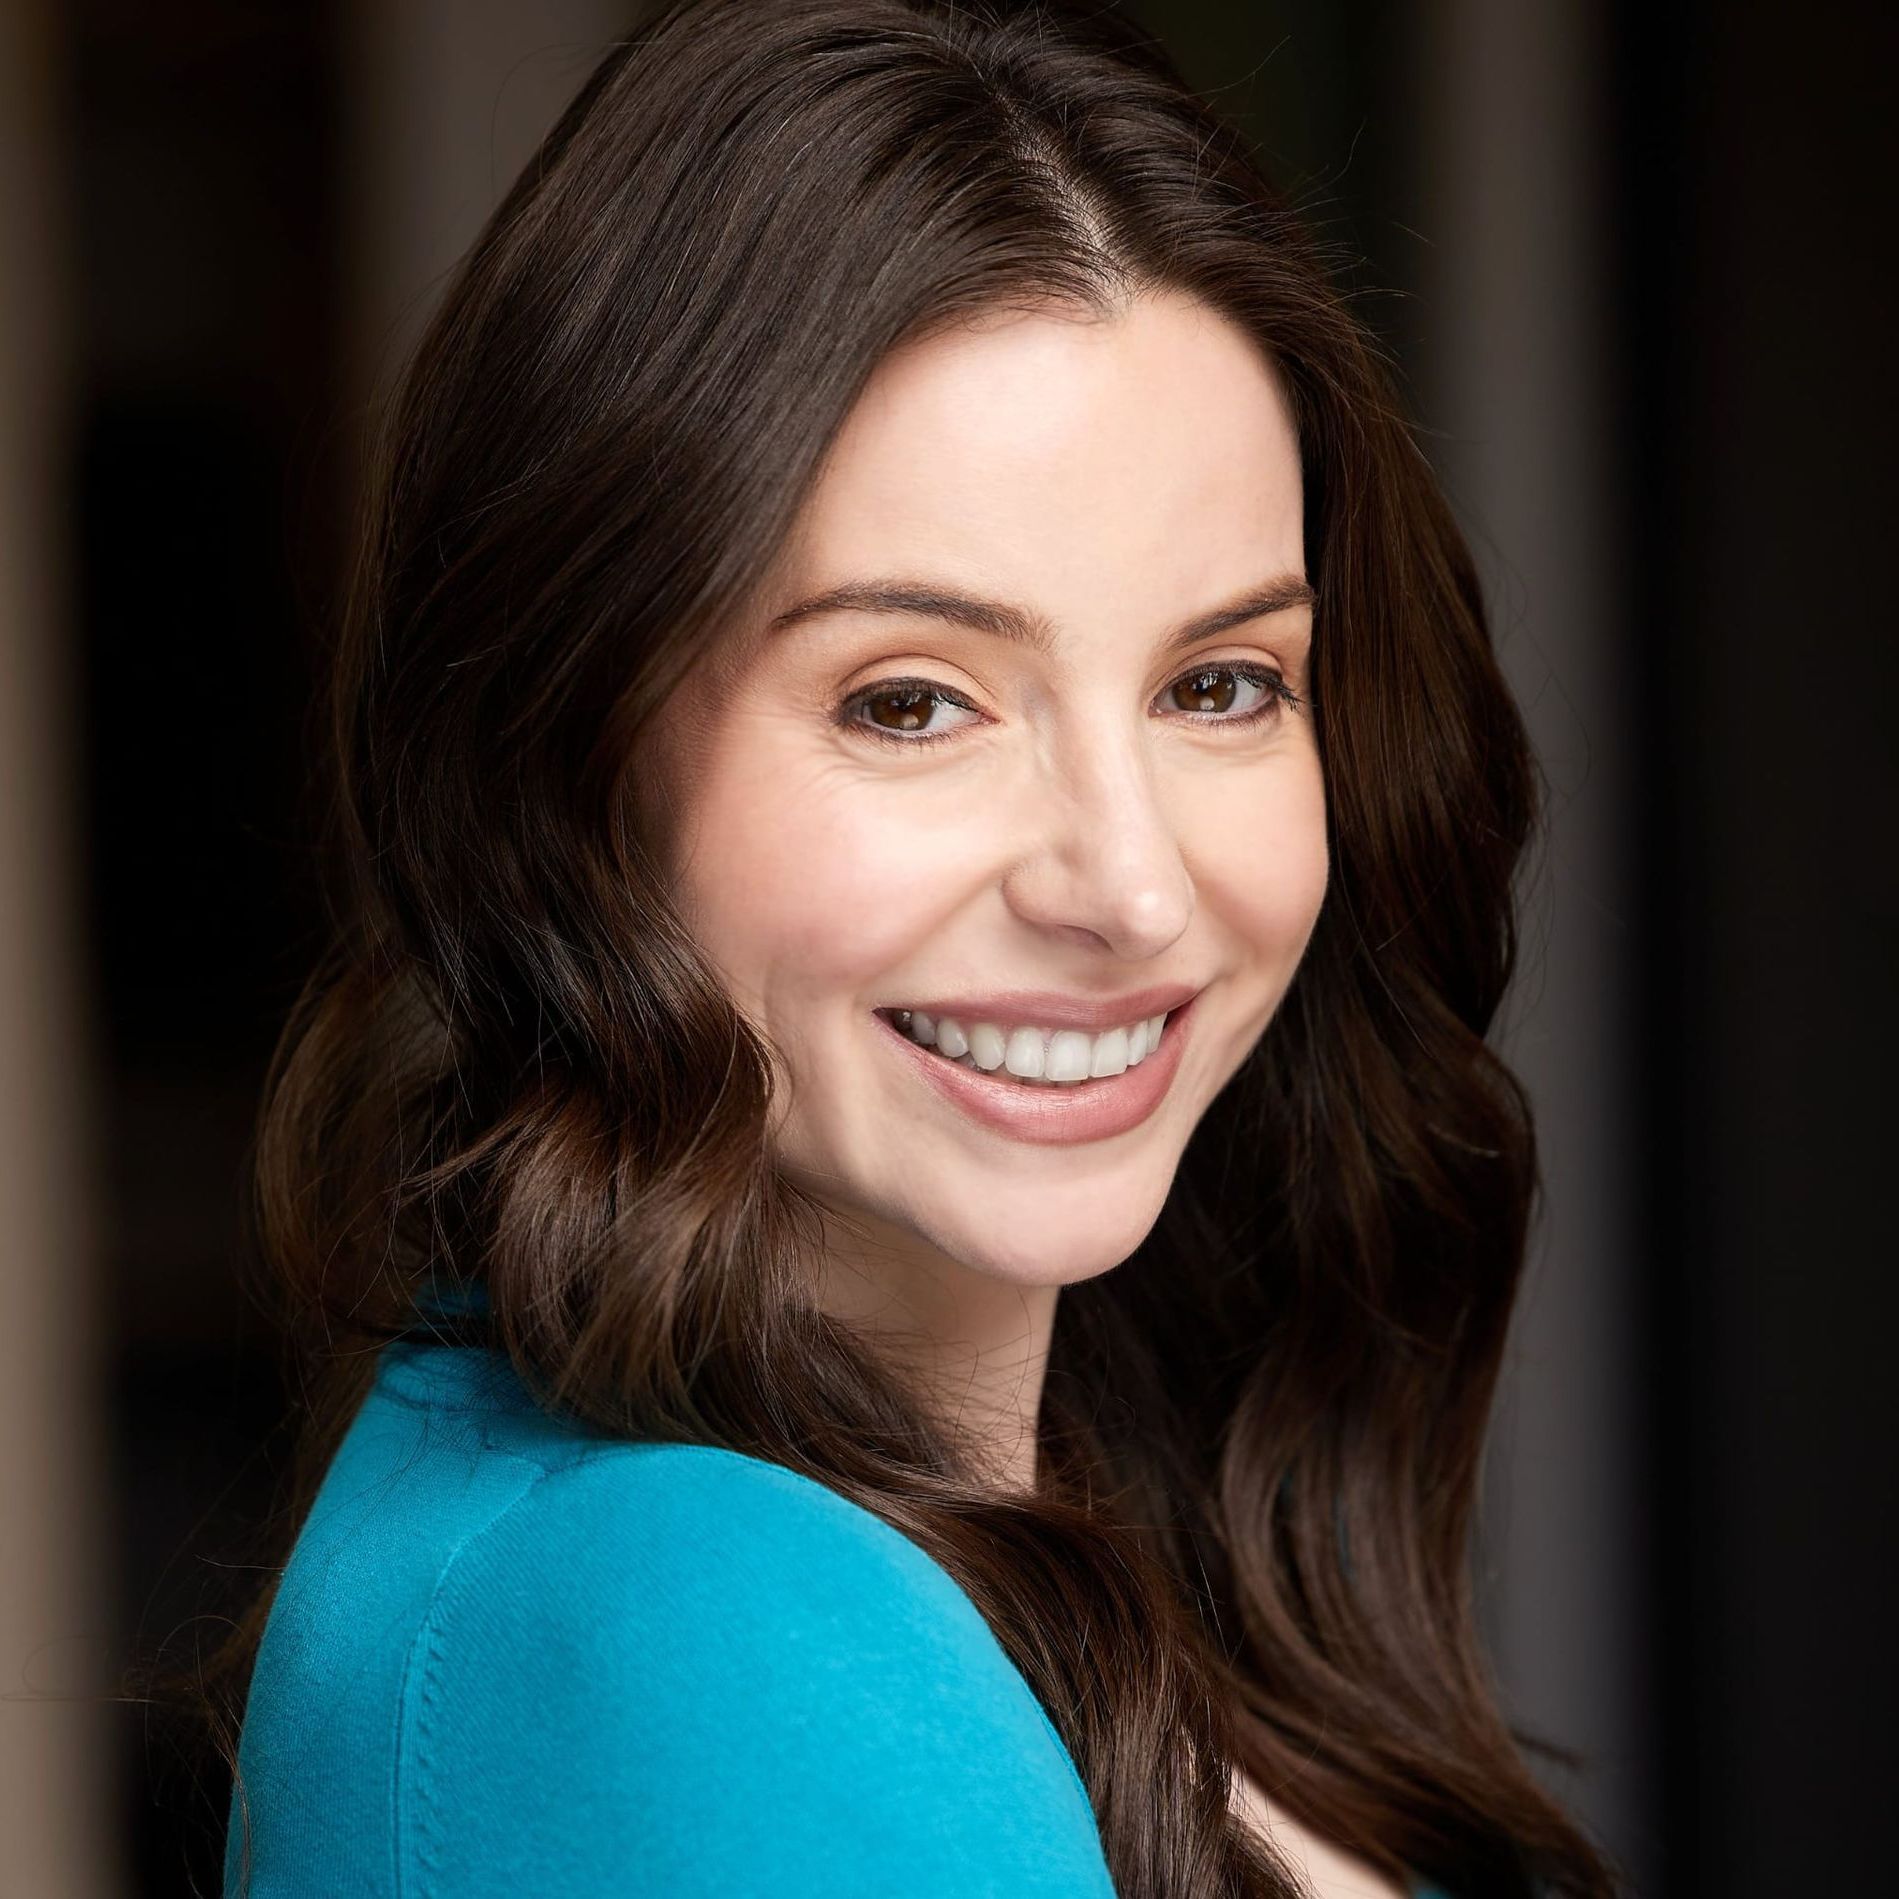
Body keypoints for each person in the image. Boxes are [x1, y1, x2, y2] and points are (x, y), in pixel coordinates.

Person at [210, 2, 1619, 1894]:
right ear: (572, 747)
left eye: (1218, 682)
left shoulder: (1063, 1538)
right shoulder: (678, 1623)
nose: (1128, 886)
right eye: (910, 702)